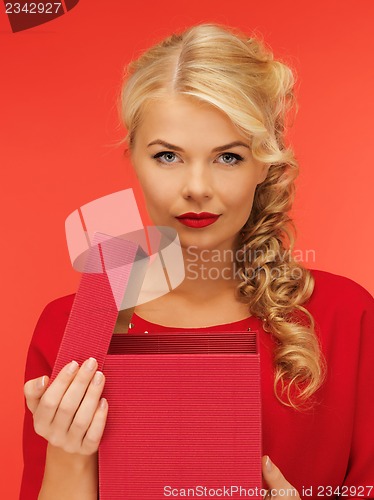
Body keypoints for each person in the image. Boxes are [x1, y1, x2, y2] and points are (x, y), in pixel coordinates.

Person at [21, 22, 374, 500]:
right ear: (132, 157)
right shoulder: (75, 326)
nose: (197, 187)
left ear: (263, 164)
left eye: (227, 158)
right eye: (168, 156)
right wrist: (67, 457)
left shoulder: (345, 316)